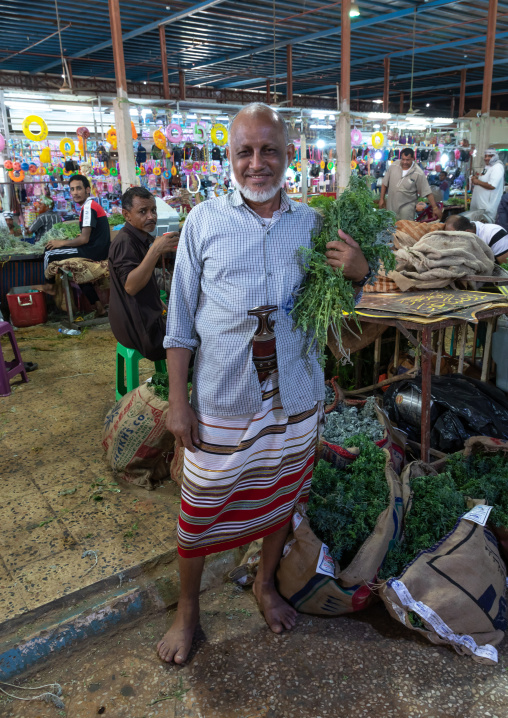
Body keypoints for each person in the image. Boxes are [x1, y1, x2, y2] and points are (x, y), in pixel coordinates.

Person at [157, 103, 370, 665]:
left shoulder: (313, 225)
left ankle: (265, 583)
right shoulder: (203, 221)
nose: (257, 163)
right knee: (200, 508)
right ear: (229, 157)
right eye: (245, 152)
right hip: (224, 398)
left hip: (297, 398)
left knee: (281, 500)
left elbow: (337, 314)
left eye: (268, 150)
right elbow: (179, 323)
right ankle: (188, 612)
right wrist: (178, 402)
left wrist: (359, 273)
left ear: (288, 155)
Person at [108, 187, 179, 361]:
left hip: (139, 322)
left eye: (153, 210)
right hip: (140, 331)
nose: (151, 216)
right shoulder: (125, 242)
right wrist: (155, 250)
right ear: (126, 215)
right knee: (197, 340)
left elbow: (144, 285)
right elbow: (131, 287)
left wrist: (161, 305)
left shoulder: (138, 237)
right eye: (143, 211)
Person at [44, 175, 110, 316]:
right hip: (98, 250)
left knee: (49, 252)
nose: (75, 192)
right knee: (76, 270)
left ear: (87, 190)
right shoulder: (91, 205)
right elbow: (89, 235)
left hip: (92, 252)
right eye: (72, 189)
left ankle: (50, 291)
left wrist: (61, 243)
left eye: (79, 188)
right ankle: (99, 307)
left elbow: (84, 240)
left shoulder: (88, 207)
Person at [379, 148, 443, 220]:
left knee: (405, 229)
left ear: (413, 159)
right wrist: (382, 199)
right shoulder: (394, 166)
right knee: (390, 229)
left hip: (407, 209)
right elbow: (384, 183)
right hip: (391, 207)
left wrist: (435, 208)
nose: (405, 162)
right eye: (403, 159)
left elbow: (427, 191)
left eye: (408, 160)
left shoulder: (418, 173)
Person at [444, 214, 508, 264]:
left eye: (453, 235)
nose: (450, 238)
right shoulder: (465, 230)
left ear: (467, 232)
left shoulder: (494, 234)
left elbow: (505, 266)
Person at [470, 149, 505, 222]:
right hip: (481, 207)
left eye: (490, 156)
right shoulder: (488, 167)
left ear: (495, 156)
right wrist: (477, 178)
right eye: (485, 156)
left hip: (487, 208)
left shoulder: (497, 167)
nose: (486, 158)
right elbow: (484, 179)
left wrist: (477, 181)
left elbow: (492, 185)